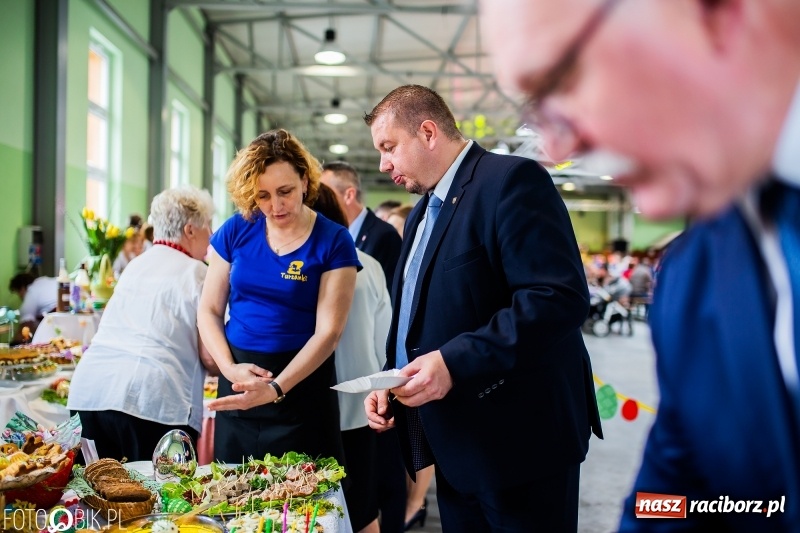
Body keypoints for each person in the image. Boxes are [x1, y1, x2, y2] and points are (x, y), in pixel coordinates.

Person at [480, 0, 800, 530]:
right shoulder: (694, 278)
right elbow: (676, 493)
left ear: (717, 13)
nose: (558, 146)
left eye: (562, 77)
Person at [363, 85, 602, 532]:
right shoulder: (420, 214)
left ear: (429, 132)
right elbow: (418, 315)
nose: (384, 164)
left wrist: (452, 362)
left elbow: (555, 297)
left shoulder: (510, 181)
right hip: (457, 444)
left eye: (389, 147)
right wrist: (392, 378)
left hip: (519, 446)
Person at [197, 129, 360, 466]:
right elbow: (209, 309)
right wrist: (229, 369)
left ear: (305, 180)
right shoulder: (237, 229)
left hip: (301, 386)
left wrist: (276, 388)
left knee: (305, 507)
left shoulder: (334, 240)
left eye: (285, 191)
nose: (275, 205)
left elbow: (329, 332)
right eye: (262, 196)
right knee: (234, 501)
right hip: (241, 378)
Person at [67, 185, 218, 461]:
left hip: (90, 394)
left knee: (93, 496)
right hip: (152, 403)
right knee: (160, 500)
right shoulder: (197, 273)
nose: (212, 236)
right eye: (208, 226)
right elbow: (210, 356)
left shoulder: (134, 266)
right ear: (190, 230)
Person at [312, 183, 391, 533]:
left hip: (308, 409)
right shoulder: (370, 266)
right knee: (361, 512)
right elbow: (384, 343)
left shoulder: (298, 268)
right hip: (361, 407)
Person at [321, 161, 402, 292]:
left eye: (326, 194)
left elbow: (389, 293)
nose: (320, 200)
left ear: (349, 195)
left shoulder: (384, 235)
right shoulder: (331, 237)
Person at [8, 272, 57, 343]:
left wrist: (13, 345)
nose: (20, 297)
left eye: (18, 293)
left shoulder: (31, 291)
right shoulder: (44, 282)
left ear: (22, 288)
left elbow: (25, 326)